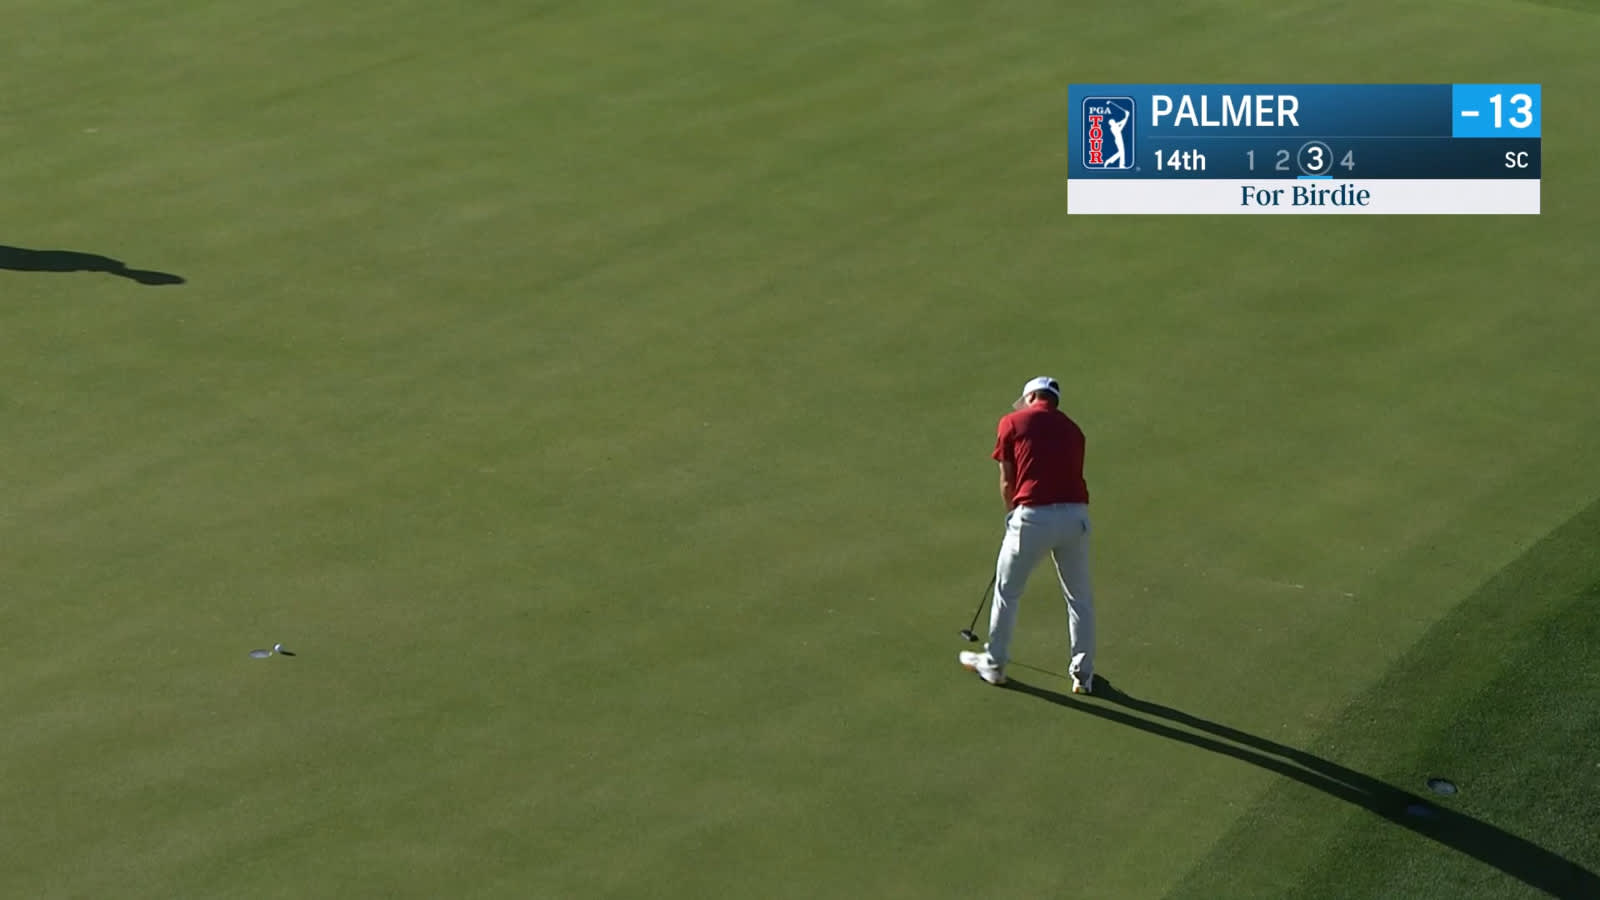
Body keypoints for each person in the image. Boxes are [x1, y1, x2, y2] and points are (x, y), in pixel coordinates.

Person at [959, 376, 1097, 692]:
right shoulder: (1074, 430)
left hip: (1033, 518)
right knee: (1079, 599)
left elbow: (1008, 480)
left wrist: (1011, 515)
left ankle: (994, 664)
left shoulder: (1012, 422)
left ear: (1032, 396)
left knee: (1007, 591)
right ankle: (1083, 675)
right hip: (1076, 518)